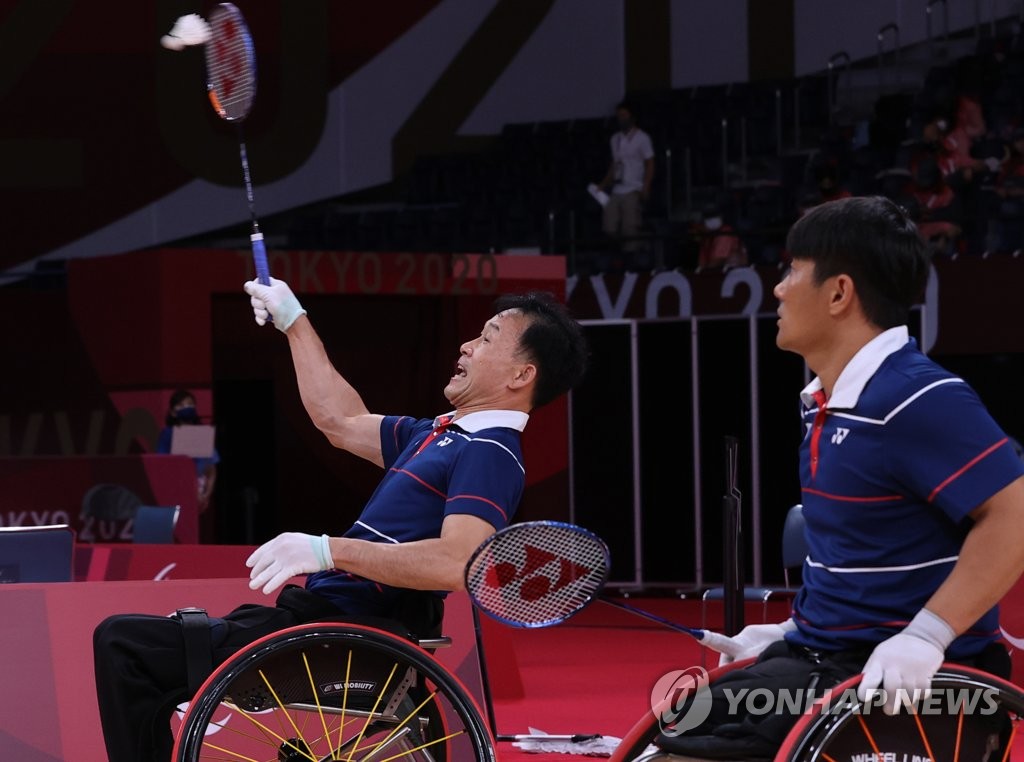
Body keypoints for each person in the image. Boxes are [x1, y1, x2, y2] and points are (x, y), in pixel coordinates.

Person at [93, 281, 587, 762]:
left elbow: (457, 564)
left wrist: (328, 550)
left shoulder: (490, 451)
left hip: (344, 633)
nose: (466, 345)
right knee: (141, 651)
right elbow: (341, 420)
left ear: (521, 375)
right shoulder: (439, 434)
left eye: (487, 338)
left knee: (124, 644)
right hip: (320, 618)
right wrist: (294, 322)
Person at [656, 196, 1024, 759]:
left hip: (916, 686)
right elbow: (862, 554)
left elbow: (1015, 517)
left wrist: (929, 635)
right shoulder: (823, 402)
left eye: (792, 270)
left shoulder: (918, 398)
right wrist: (789, 629)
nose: (777, 289)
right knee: (673, 730)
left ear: (838, 293)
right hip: (822, 659)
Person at [596, 101, 654, 252]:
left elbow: (650, 163)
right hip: (617, 188)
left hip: (633, 188)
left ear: (632, 117)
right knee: (609, 225)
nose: (621, 118)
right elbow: (614, 165)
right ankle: (621, 249)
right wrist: (603, 184)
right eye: (618, 116)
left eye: (624, 115)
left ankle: (632, 257)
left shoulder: (643, 138)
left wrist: (646, 186)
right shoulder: (614, 139)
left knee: (630, 226)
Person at [155, 389, 218, 513]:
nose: (186, 407)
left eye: (189, 404)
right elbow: (167, 467)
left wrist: (206, 495)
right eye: (181, 405)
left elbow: (211, 469)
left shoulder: (202, 435)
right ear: (173, 412)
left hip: (199, 497)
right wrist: (191, 492)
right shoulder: (168, 434)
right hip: (176, 494)